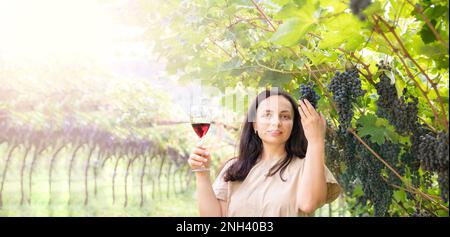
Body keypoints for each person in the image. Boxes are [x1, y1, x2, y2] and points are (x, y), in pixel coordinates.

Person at [188, 89, 341, 217]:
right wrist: (202, 173)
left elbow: (309, 204)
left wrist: (316, 141)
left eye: (285, 116)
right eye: (267, 114)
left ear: (294, 126)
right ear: (254, 124)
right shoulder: (235, 168)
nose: (276, 122)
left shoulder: (306, 167)